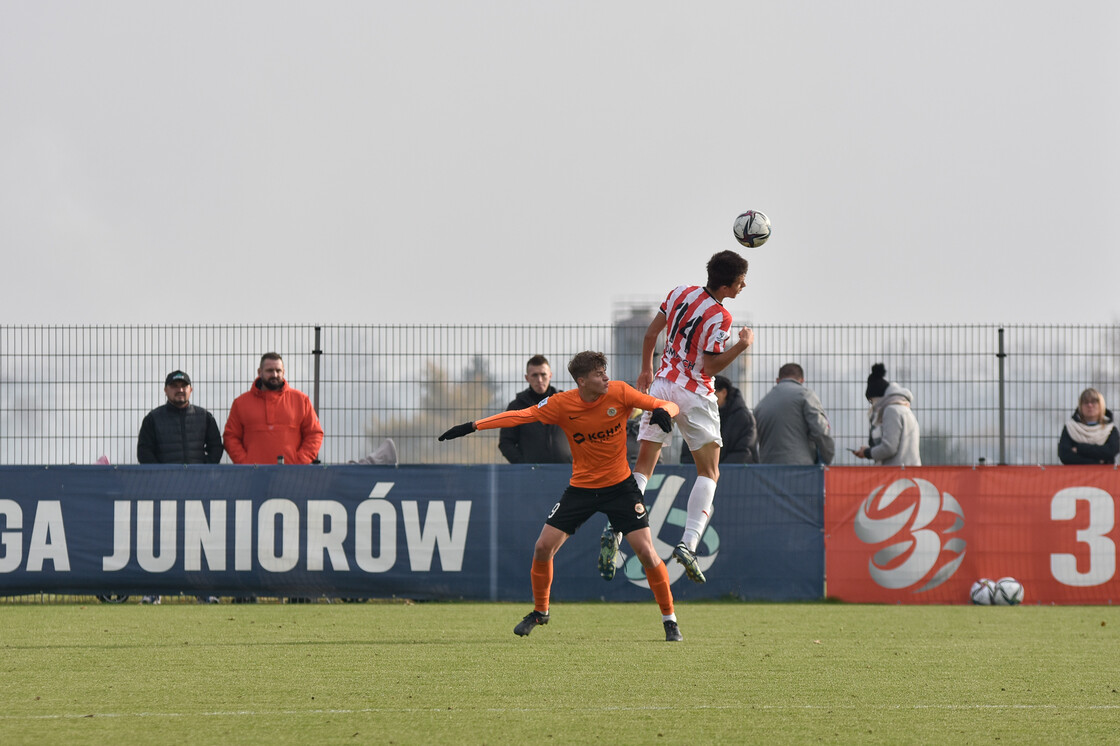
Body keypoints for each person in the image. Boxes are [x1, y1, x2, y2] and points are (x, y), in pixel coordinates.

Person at [438, 351, 685, 642]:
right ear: (581, 381)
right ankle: (540, 612)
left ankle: (670, 620)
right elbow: (519, 416)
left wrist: (663, 412)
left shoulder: (619, 391)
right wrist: (473, 426)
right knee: (543, 548)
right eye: (598, 374)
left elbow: (669, 404)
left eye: (605, 372)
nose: (606, 378)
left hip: (620, 487)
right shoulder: (561, 404)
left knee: (646, 552)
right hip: (581, 489)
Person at [602, 250, 754, 585]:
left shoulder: (680, 292)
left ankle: (615, 526)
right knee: (709, 471)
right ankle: (688, 543)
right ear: (728, 284)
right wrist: (742, 345)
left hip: (662, 386)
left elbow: (650, 335)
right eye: (741, 281)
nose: (744, 285)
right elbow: (710, 367)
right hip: (694, 394)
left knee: (643, 466)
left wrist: (646, 369)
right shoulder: (721, 318)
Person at [136, 370, 223, 604]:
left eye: (184, 385)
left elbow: (216, 447)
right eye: (174, 386)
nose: (180, 390)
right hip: (164, 491)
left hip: (198, 490)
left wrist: (202, 471)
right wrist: (162, 475)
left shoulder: (204, 417)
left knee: (198, 542)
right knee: (161, 542)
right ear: (166, 390)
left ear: (191, 389)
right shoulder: (153, 418)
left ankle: (204, 591)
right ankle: (154, 591)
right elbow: (144, 451)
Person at [224, 353, 324, 465]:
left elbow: (314, 434)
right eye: (269, 370)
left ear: (284, 372)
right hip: (253, 475)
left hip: (291, 474)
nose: (275, 375)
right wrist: (246, 462)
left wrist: (299, 462)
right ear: (259, 372)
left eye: (278, 370)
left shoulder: (301, 400)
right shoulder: (241, 403)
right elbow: (231, 437)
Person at [754, 363, 835, 466]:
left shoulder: (761, 405)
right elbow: (820, 430)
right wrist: (827, 458)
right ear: (801, 380)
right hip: (800, 470)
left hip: (767, 471)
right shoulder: (805, 395)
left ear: (778, 380)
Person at [498, 355, 572, 464]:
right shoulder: (516, 408)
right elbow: (506, 442)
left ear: (550, 375)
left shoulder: (566, 404)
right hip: (530, 474)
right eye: (535, 375)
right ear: (527, 378)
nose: (540, 380)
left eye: (543, 374)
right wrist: (523, 464)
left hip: (565, 471)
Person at [680, 374, 758, 465]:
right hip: (705, 473)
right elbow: (688, 451)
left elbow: (743, 452)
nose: (706, 398)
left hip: (735, 475)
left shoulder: (743, 418)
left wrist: (718, 471)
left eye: (710, 393)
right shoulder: (700, 414)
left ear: (724, 393)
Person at [853, 363, 921, 466]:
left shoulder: (891, 411)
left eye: (871, 401)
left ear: (877, 398)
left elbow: (889, 447)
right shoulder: (904, 408)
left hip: (896, 475)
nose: (872, 406)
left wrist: (867, 452)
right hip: (909, 472)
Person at [1058, 387, 1119, 465]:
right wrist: (1097, 462)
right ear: (1080, 406)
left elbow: (1111, 451)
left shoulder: (1110, 429)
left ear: (1101, 405)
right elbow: (1065, 455)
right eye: (1085, 402)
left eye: (1094, 401)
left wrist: (1080, 448)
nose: (1090, 405)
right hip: (1076, 475)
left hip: (1104, 476)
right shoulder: (1070, 428)